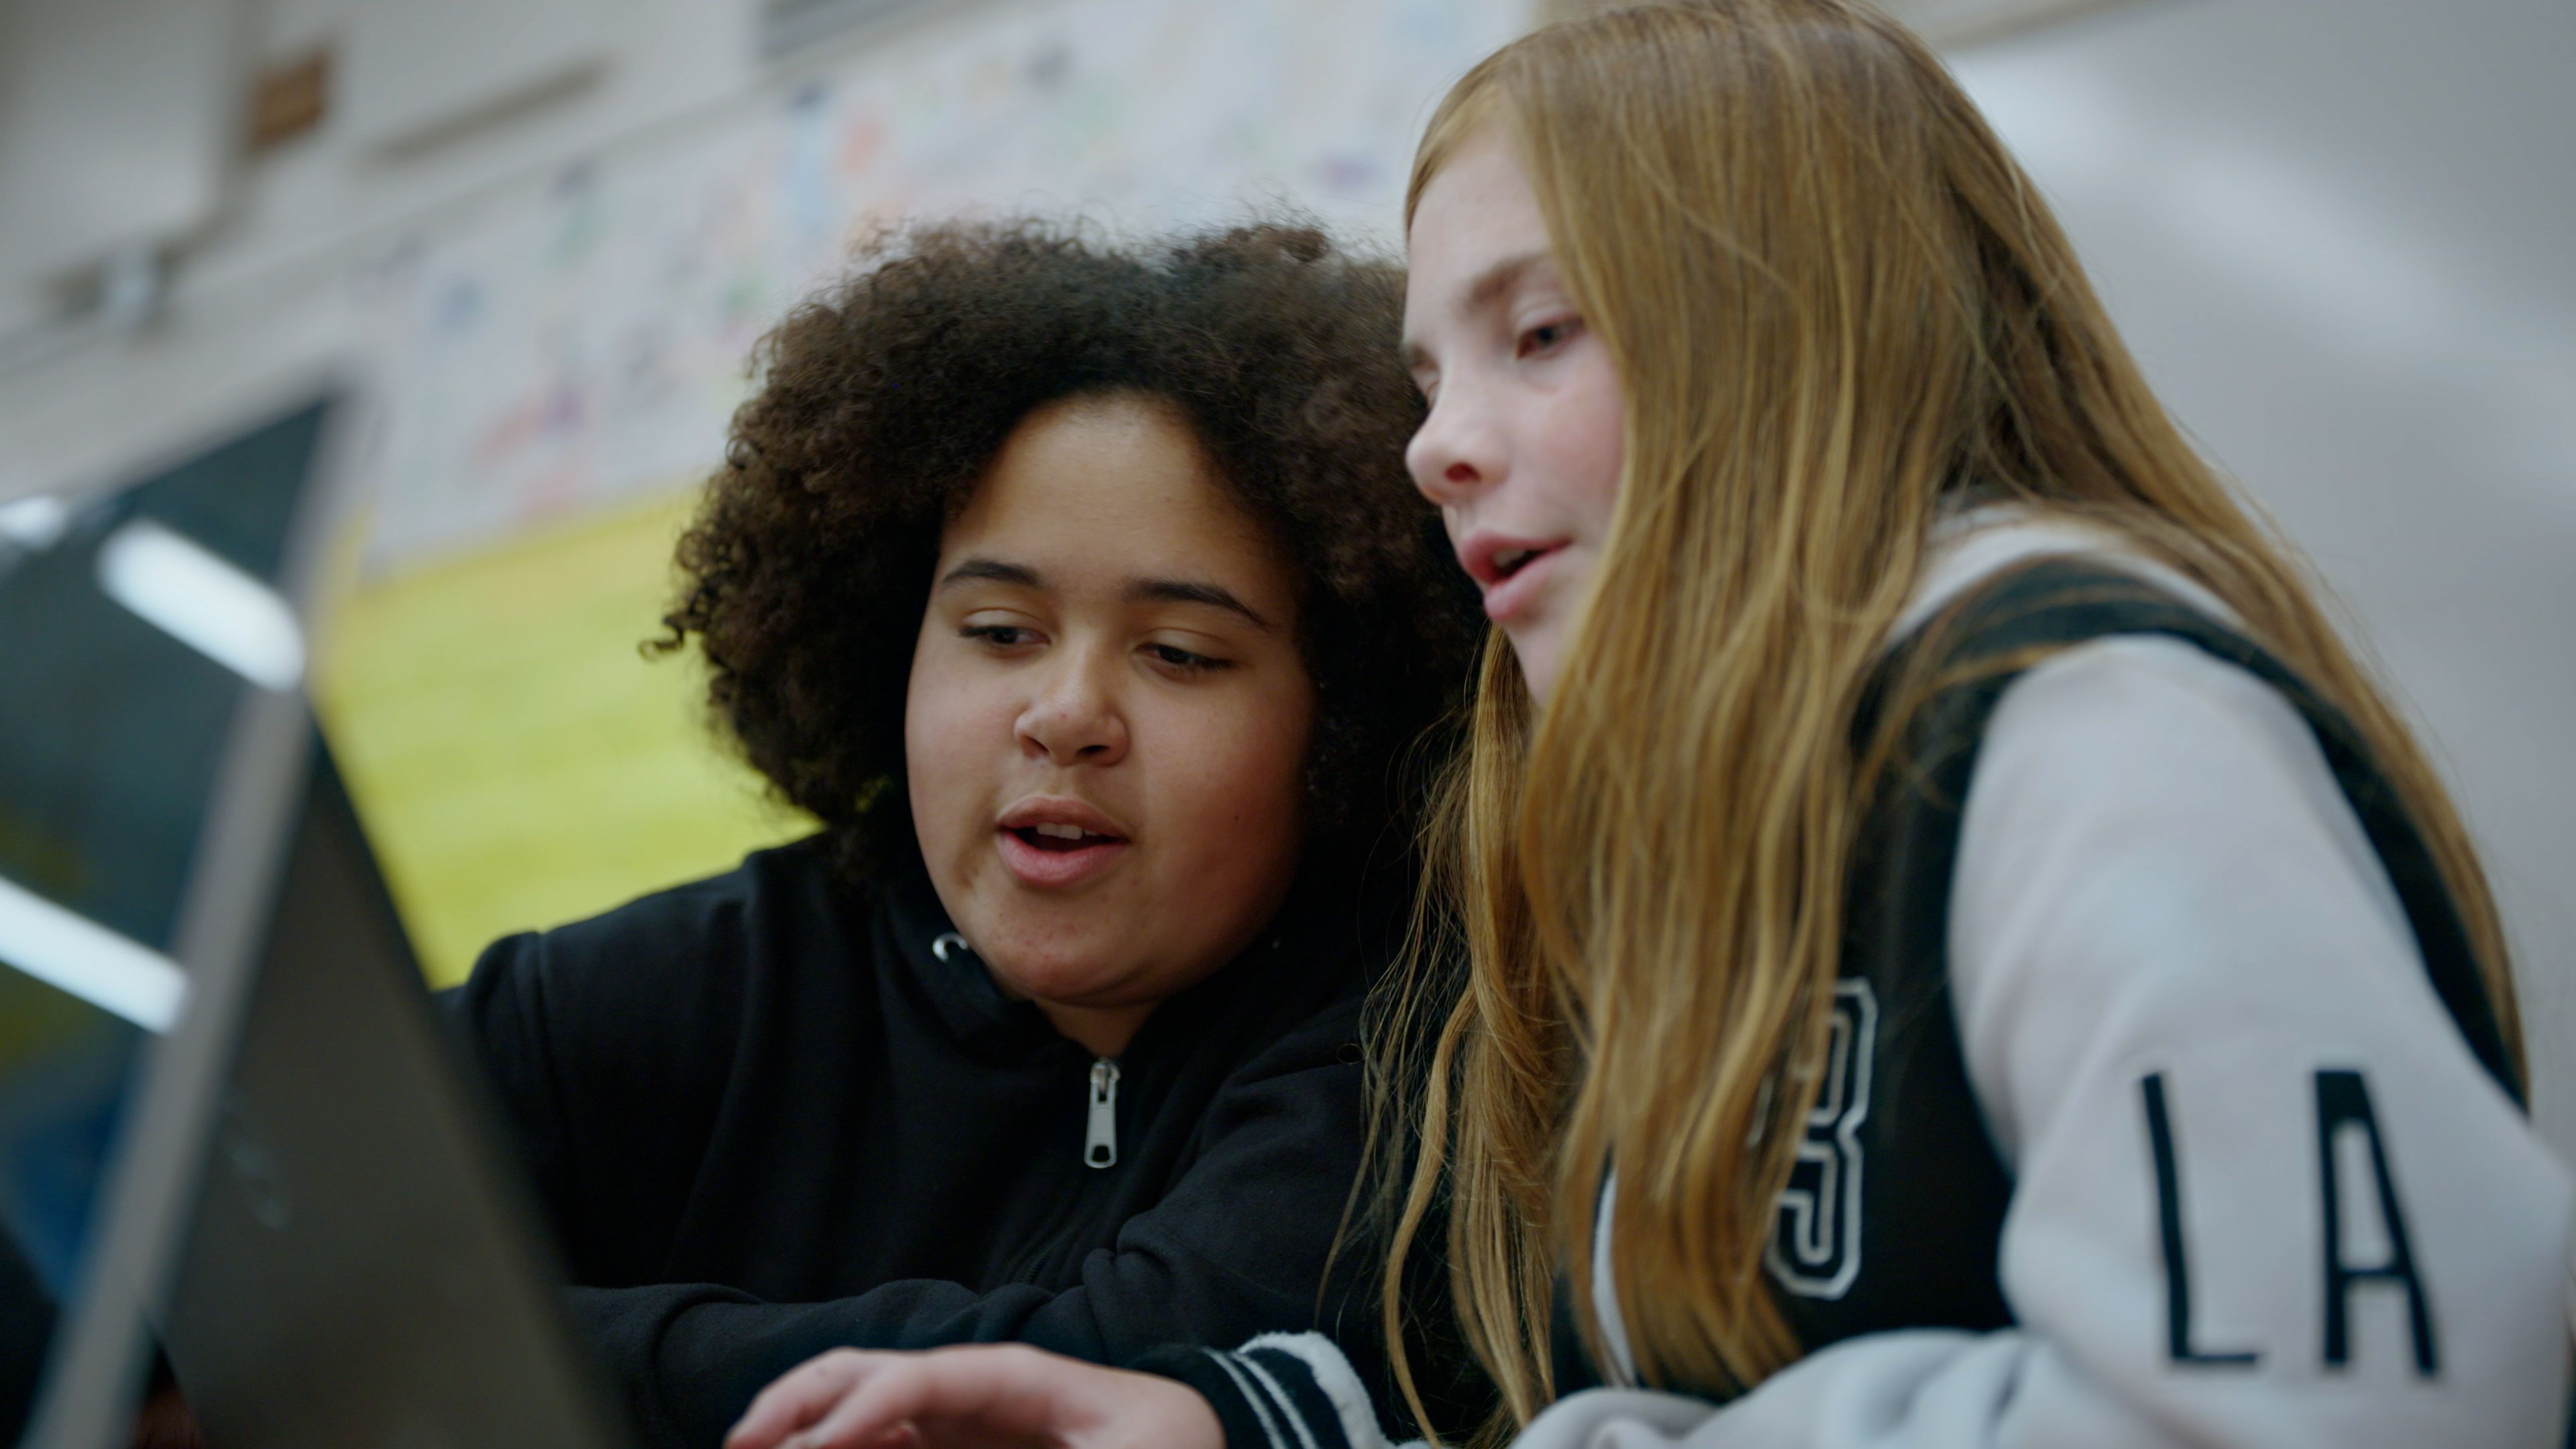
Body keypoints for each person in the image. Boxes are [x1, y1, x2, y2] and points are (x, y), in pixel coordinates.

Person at [720, 5, 2575, 1448]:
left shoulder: (2080, 727)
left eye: (1541, 338)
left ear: (1784, 332)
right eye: (1432, 373)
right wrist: (1231, 1419)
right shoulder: (1689, 807)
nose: (1436, 444)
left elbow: (2341, 1406)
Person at [442, 217, 1483, 1449]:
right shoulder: (683, 984)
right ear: (892, 643)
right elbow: (267, 1233)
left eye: (1180, 654)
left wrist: (491, 1355)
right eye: (998, 631)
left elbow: (1066, 1394)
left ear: (1349, 716)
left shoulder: (1426, 1044)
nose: (1067, 715)